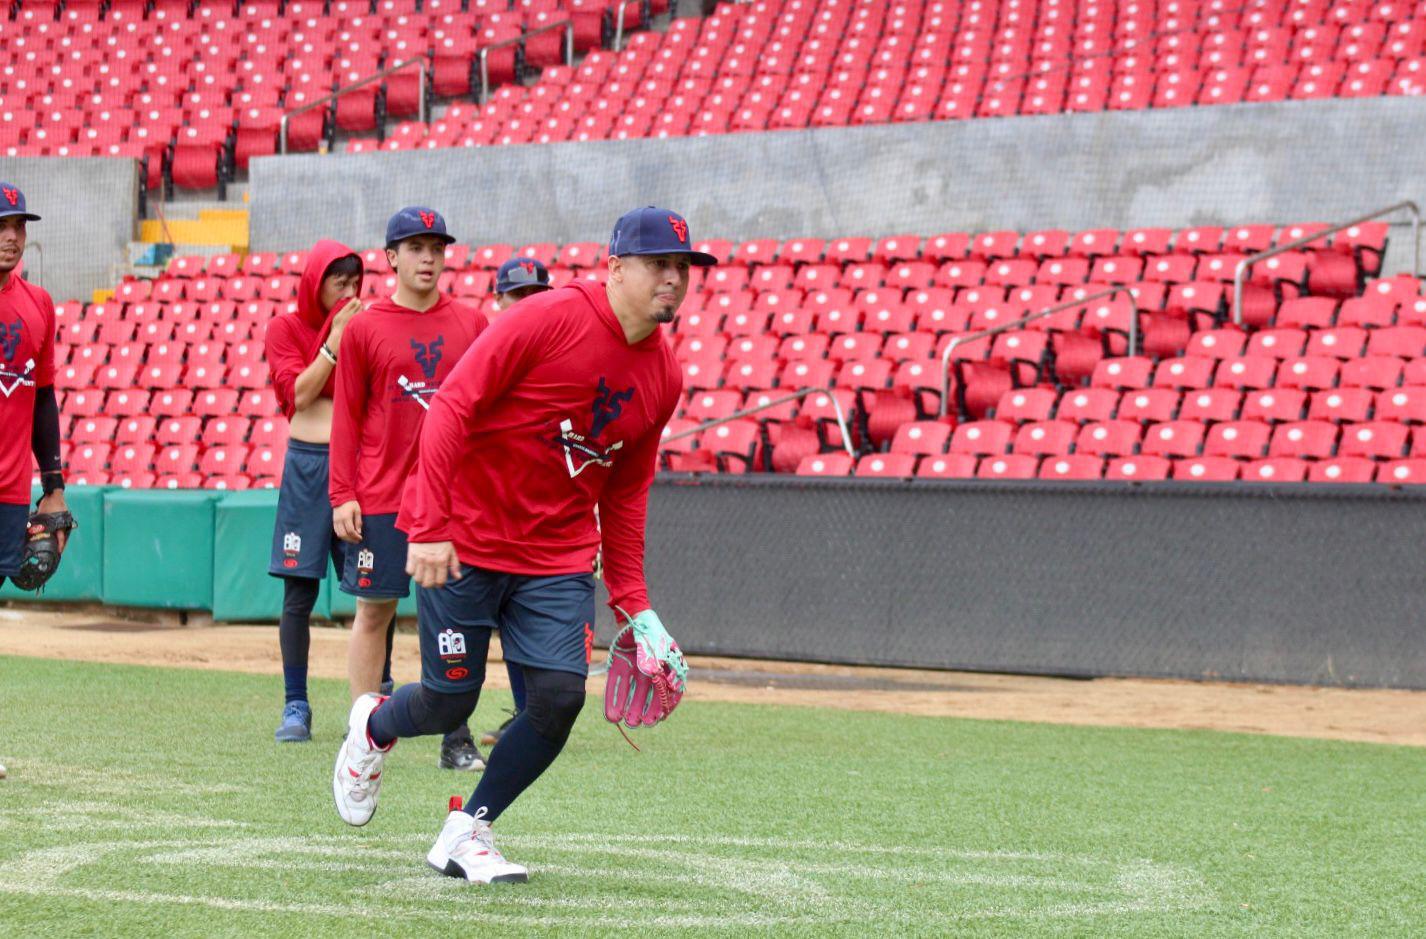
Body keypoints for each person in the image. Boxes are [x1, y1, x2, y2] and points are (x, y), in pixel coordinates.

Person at [330, 205, 713, 884]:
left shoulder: (665, 375)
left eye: (683, 267)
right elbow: (451, 407)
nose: (674, 279)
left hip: (557, 556)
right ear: (615, 268)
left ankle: (469, 829)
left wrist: (636, 606)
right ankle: (373, 727)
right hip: (467, 537)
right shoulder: (546, 317)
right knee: (450, 701)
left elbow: (627, 492)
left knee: (560, 697)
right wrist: (430, 525)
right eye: (659, 264)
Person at [329, 206, 489, 771]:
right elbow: (347, 415)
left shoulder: (473, 324)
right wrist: (342, 493)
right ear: (391, 258)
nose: (428, 258)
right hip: (382, 495)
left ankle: (456, 737)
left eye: (437, 248)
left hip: (452, 500)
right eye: (416, 248)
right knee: (374, 612)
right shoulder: (365, 328)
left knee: (454, 619)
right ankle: (362, 734)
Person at [264, 240, 370, 743]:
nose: (348, 292)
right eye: (338, 282)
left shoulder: (368, 324)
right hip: (307, 469)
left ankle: (373, 702)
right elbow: (299, 394)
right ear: (316, 284)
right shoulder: (286, 328)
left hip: (358, 468)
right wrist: (334, 341)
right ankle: (296, 705)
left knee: (372, 590)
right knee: (298, 594)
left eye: (354, 283)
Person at [476, 256, 554, 747]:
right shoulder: (484, 353)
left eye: (536, 294)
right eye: (518, 295)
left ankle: (532, 714)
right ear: (498, 300)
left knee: (530, 619)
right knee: (500, 619)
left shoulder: (560, 355)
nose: (527, 303)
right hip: (491, 503)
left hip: (544, 504)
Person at [0, 182, 69, 588]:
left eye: (18, 226)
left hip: (11, 493)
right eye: (1, 226)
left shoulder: (39, 304)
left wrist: (53, 487)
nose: (11, 237)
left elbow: (43, 398)